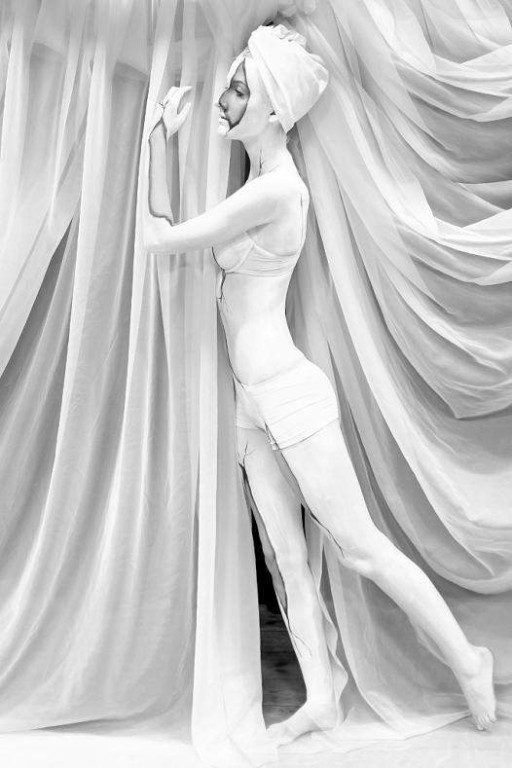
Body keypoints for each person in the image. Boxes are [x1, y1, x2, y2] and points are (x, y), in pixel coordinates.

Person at [142, 23, 497, 745]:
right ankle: (322, 700)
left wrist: (156, 141)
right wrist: (167, 142)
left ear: (275, 108)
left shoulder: (277, 192)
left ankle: (469, 659)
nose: (225, 97)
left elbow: (160, 237)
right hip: (252, 402)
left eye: (240, 88)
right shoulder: (254, 186)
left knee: (359, 547)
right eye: (230, 83)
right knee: (285, 557)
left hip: (290, 394)